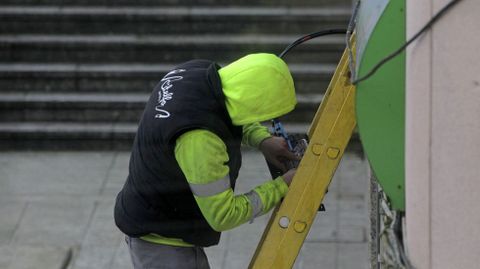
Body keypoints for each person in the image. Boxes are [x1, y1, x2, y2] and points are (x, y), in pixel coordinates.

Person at [114, 53, 298, 269]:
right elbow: (224, 215)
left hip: (152, 216)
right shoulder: (201, 139)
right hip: (162, 242)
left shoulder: (196, 73)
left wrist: (263, 140)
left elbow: (231, 110)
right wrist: (282, 186)